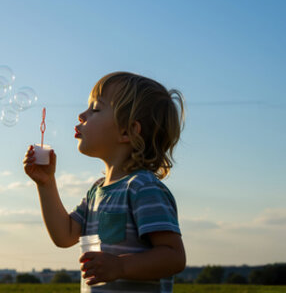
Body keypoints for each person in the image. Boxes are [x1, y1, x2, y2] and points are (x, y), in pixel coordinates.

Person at [24, 71, 186, 292]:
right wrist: (46, 184)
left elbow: (174, 257)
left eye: (96, 109)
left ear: (127, 131)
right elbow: (64, 235)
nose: (82, 115)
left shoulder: (142, 188)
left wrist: (121, 266)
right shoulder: (97, 191)